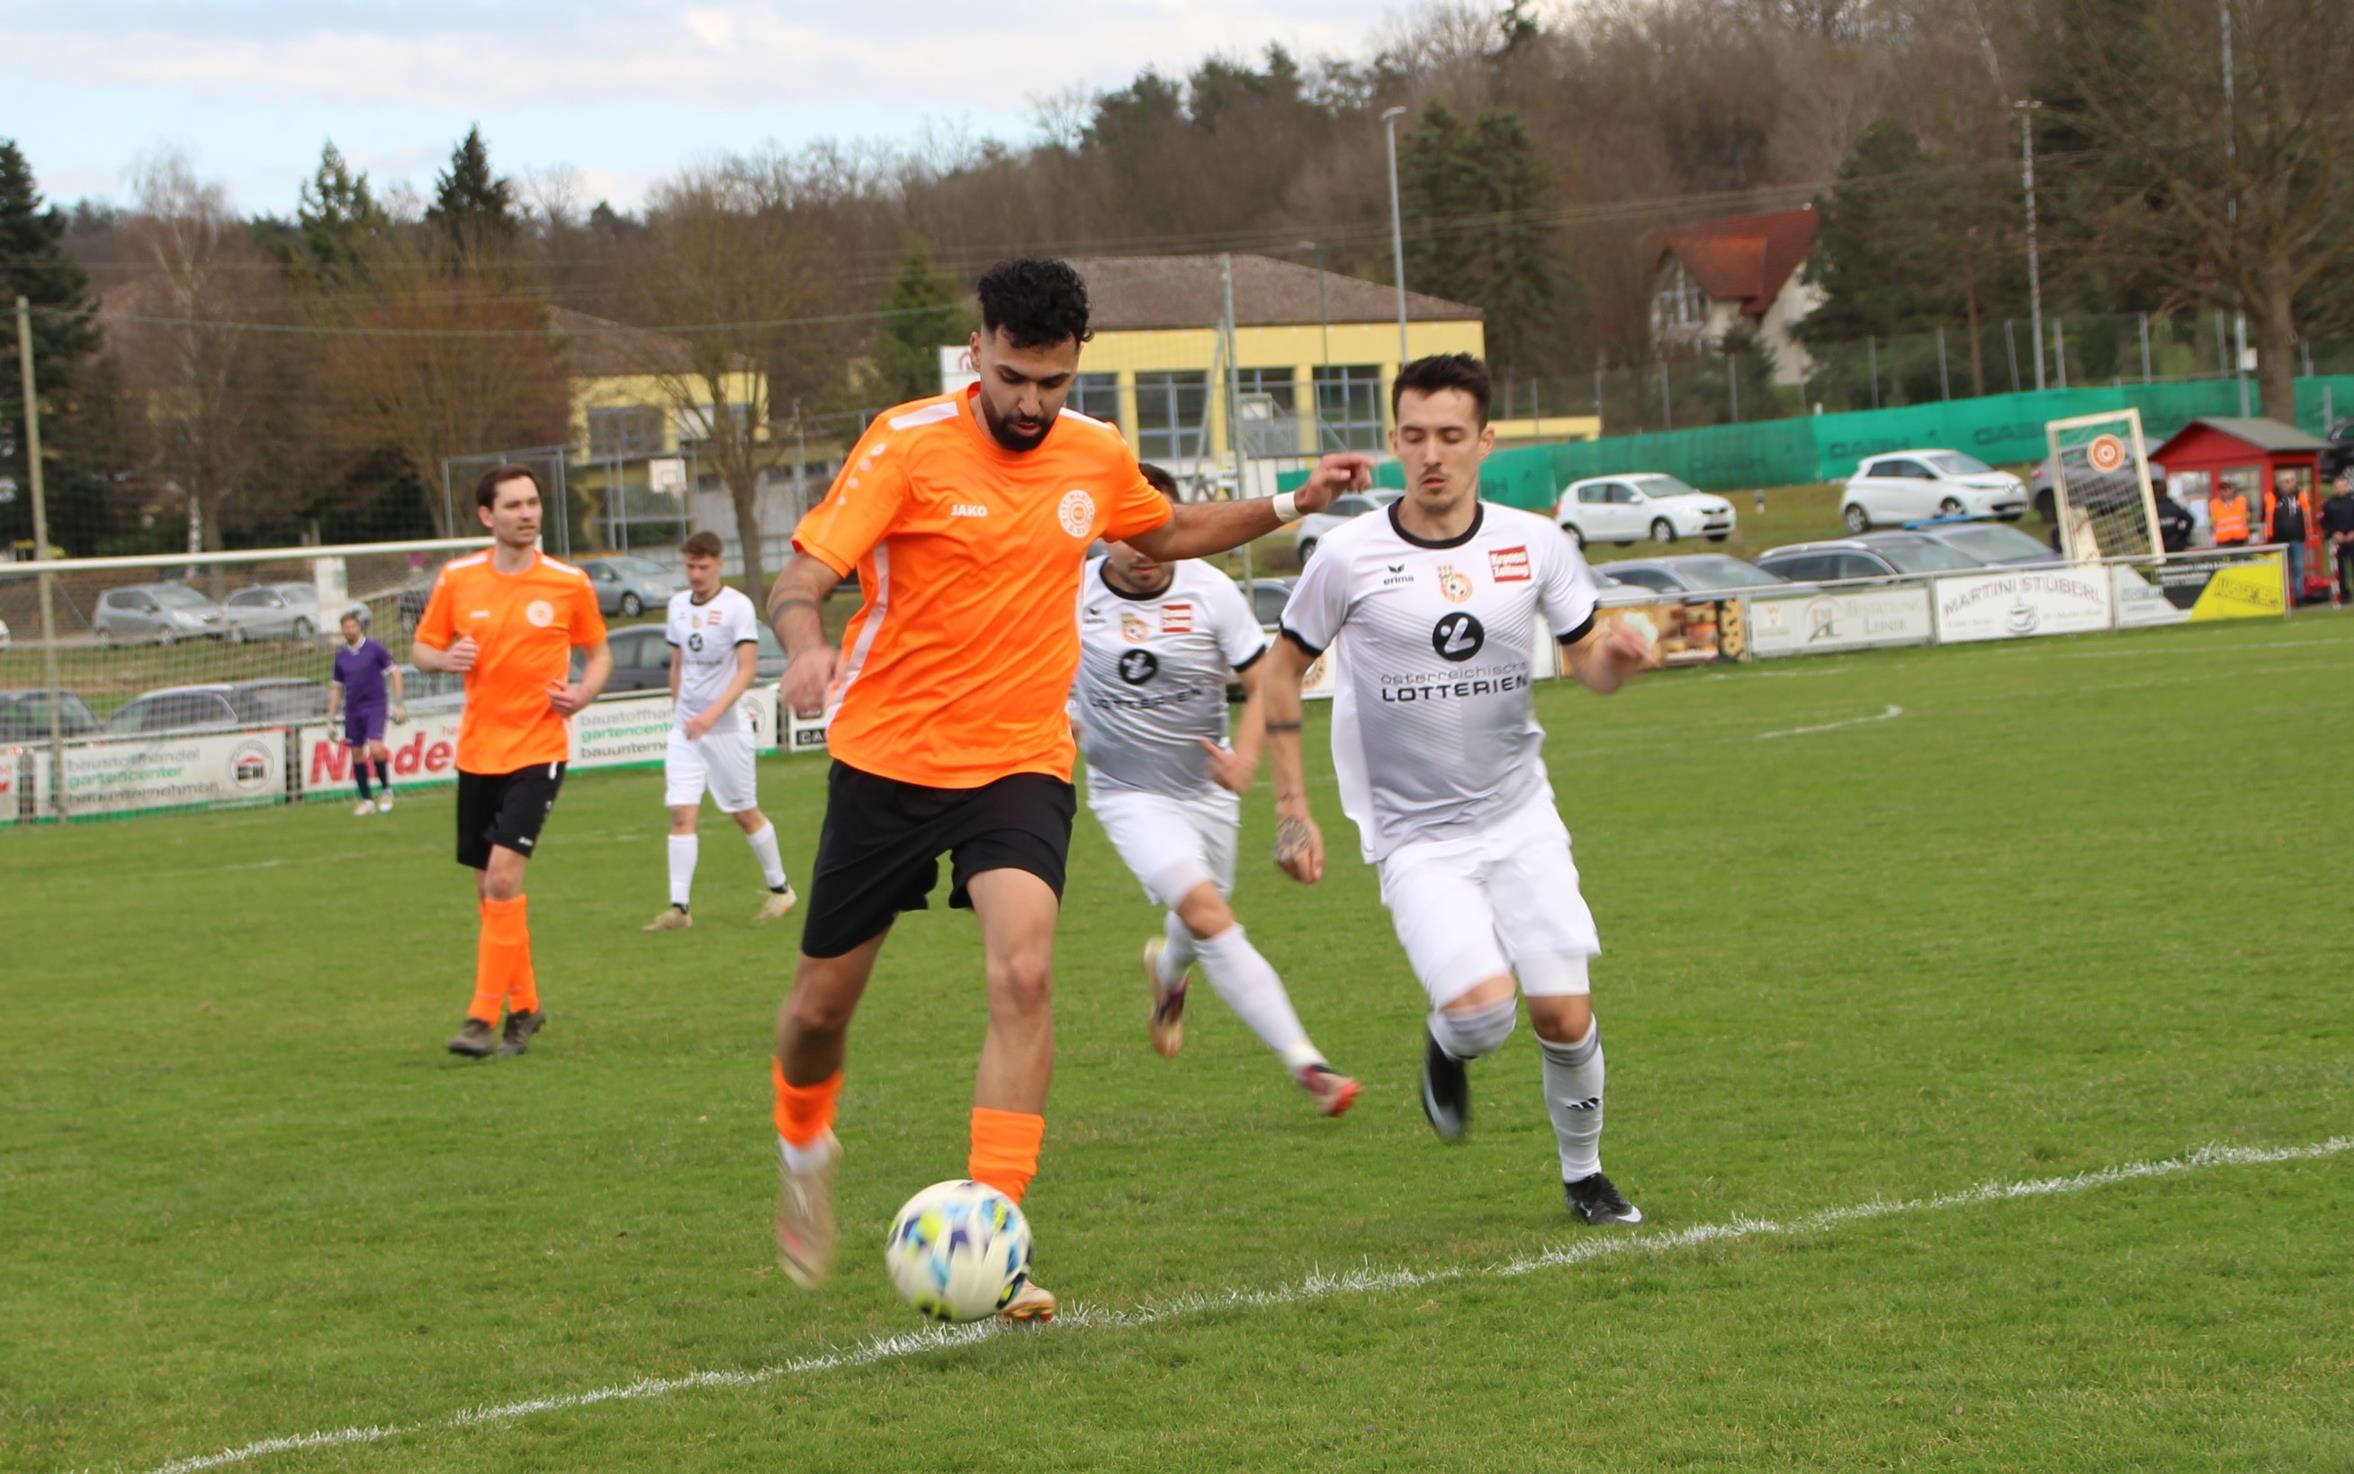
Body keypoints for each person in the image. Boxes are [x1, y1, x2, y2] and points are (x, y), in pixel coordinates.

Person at [762, 257, 1368, 1320]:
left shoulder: (1094, 451)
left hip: (1019, 760)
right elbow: (803, 576)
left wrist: (1294, 500)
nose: (1031, 404)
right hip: (888, 759)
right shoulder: (904, 444)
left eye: (1052, 382)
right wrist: (805, 645)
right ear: (977, 352)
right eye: (1012, 379)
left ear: (1075, 364)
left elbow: (1164, 531)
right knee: (818, 1011)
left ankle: (994, 1235)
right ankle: (804, 1144)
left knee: (1026, 975)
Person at [1262, 353, 1658, 1229]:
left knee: (1564, 1014)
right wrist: (1292, 810)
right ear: (1393, 440)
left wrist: (1618, 661)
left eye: (1450, 435)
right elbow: (1278, 673)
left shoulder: (1535, 543)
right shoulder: (1347, 556)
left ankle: (1586, 1177)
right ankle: (1449, 1042)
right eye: (1413, 436)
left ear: (1486, 440)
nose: (1431, 454)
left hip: (1519, 815)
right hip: (1416, 836)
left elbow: (1588, 663)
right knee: (1484, 1017)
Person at [1071, 461, 1358, 1116]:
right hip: (1128, 792)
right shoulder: (1069, 592)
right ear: (1104, 533)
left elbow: (1265, 683)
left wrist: (1246, 755)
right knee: (1208, 915)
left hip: (1208, 789)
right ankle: (1308, 1063)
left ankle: (1167, 975)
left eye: (1158, 528)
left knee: (1199, 918)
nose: (1145, 548)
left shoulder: (1210, 591)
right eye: (1129, 533)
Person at [412, 466, 612, 1060]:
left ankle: (481, 1016)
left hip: (538, 749)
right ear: (487, 516)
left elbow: (599, 653)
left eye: (532, 502)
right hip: (478, 752)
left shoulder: (568, 582)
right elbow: (421, 648)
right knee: (489, 890)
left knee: (502, 879)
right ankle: (525, 1004)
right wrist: (445, 659)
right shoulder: (458, 578)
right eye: (513, 505)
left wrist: (583, 693)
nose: (527, 513)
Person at [644, 530, 798, 931]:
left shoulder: (737, 607)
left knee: (744, 813)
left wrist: (711, 715)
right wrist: (679, 710)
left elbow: (746, 669)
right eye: (690, 566)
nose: (695, 574)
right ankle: (679, 908)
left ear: (719, 565)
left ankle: (781, 888)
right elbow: (678, 663)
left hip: (726, 729)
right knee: (681, 812)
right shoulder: (678, 606)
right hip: (687, 731)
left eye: (703, 566)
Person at [326, 611, 406, 816]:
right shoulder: (341, 656)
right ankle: (367, 800)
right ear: (342, 630)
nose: (350, 630)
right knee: (356, 753)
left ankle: (386, 791)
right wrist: (330, 719)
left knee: (376, 748)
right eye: (346, 627)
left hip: (375, 706)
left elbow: (395, 672)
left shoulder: (374, 648)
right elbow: (337, 687)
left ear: (359, 627)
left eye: (353, 626)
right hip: (352, 710)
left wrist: (399, 703)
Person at [2264, 468, 2316, 603]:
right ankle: (2282, 599)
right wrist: (2269, 537)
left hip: (2298, 538)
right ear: (2280, 483)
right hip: (2279, 541)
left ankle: (2299, 597)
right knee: (2281, 571)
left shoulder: (2301, 496)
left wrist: (2309, 533)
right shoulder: (2272, 497)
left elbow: (2308, 516)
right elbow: (2265, 518)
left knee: (2298, 568)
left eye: (2293, 480)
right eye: (2287, 481)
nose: (2291, 483)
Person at [2321, 471, 2354, 606]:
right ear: (2334, 488)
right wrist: (2333, 533)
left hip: (2352, 538)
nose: (2341, 489)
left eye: (2343, 486)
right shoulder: (2328, 504)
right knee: (2339, 570)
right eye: (2338, 487)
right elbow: (2324, 522)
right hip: (2337, 541)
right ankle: (2343, 595)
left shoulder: (2352, 500)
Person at [2153, 481, 2195, 554]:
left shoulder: (2151, 510)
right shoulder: (2174, 507)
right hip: (2175, 545)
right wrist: (2182, 535)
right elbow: (2190, 520)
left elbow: (2140, 527)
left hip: (2157, 546)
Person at [2210, 479, 2252, 548]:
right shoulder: (2214, 504)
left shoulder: (2242, 501)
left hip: (2241, 540)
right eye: (2222, 489)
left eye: (2227, 489)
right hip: (2222, 542)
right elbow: (2212, 523)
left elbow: (2249, 518)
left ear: (2233, 489)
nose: (2224, 492)